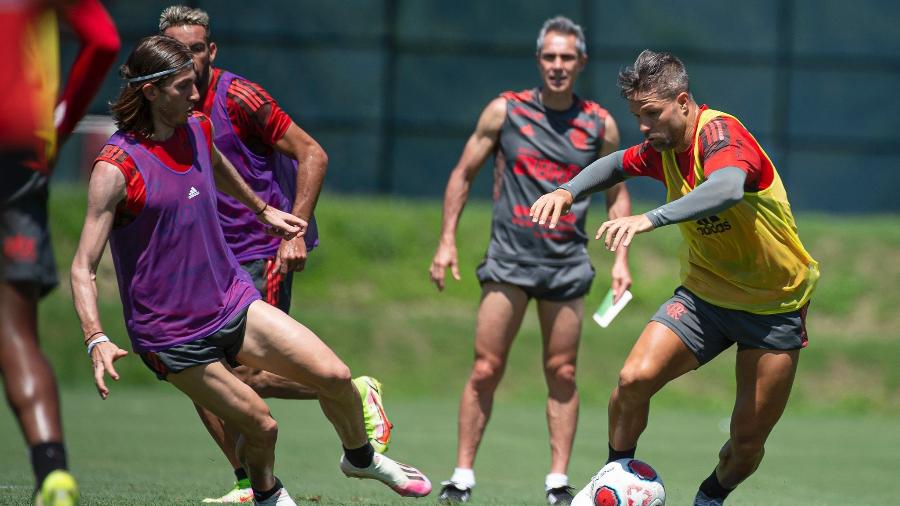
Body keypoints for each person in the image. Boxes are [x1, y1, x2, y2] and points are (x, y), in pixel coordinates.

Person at [70, 36, 431, 506]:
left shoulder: (195, 127)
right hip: (172, 335)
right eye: (183, 87)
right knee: (262, 427)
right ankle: (267, 495)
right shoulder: (115, 168)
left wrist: (262, 209)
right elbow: (82, 267)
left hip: (231, 300)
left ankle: (359, 458)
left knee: (337, 376)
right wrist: (95, 336)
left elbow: (214, 162)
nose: (196, 95)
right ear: (153, 91)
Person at [530, 50, 820, 506]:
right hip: (706, 297)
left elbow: (725, 188)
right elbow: (613, 164)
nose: (644, 126)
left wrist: (651, 219)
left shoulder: (721, 134)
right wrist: (567, 191)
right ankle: (618, 478)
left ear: (683, 102)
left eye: (652, 114)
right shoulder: (662, 149)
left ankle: (708, 499)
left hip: (773, 306)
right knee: (632, 381)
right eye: (637, 116)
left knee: (746, 443)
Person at [152, 6, 391, 502]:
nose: (189, 60)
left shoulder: (239, 95)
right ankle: (247, 482)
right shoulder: (162, 104)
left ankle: (354, 390)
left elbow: (313, 153)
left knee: (245, 374)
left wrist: (293, 233)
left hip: (260, 252)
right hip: (205, 262)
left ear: (210, 51)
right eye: (178, 51)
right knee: (198, 371)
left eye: (197, 49)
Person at [429, 16, 632, 505]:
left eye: (567, 57)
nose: (558, 65)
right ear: (539, 60)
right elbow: (463, 173)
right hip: (509, 261)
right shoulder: (506, 111)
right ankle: (461, 476)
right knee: (485, 369)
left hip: (566, 265)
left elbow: (618, 194)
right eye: (550, 56)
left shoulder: (599, 123)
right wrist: (446, 240)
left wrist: (622, 258)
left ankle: (558, 483)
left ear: (581, 62)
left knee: (562, 372)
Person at [0, 1, 119, 504]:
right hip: (20, 153)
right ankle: (53, 472)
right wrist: (60, 124)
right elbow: (104, 41)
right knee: (14, 328)